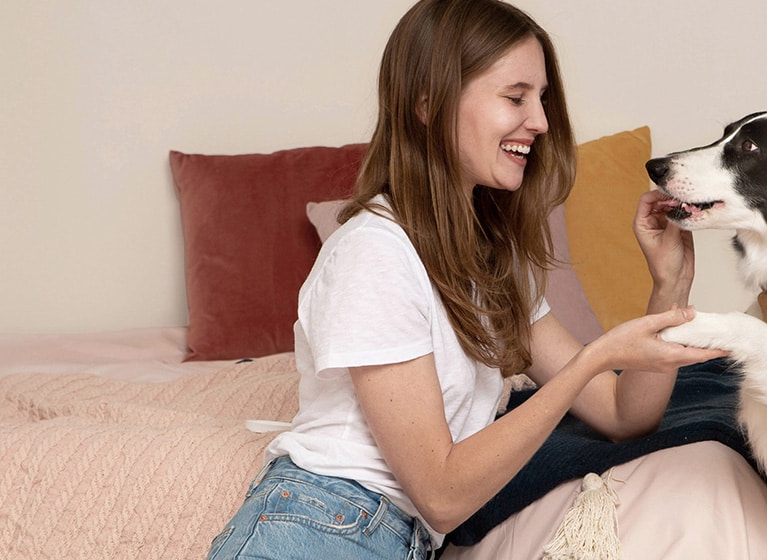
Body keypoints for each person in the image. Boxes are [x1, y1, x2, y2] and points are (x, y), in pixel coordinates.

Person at [204, 0, 726, 558]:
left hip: (383, 537)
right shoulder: (375, 253)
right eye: (515, 96)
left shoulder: (488, 265)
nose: (542, 122)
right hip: (318, 526)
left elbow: (624, 415)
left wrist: (669, 286)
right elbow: (442, 494)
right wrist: (593, 359)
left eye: (542, 99)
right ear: (429, 104)